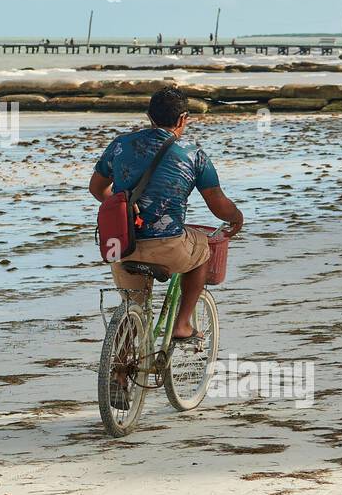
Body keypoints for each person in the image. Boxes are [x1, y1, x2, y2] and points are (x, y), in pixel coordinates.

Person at [88, 88, 243, 340]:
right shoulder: (193, 154)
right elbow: (217, 203)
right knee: (203, 250)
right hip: (169, 246)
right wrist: (236, 217)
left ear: (149, 117)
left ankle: (117, 369)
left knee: (132, 308)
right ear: (183, 119)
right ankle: (181, 325)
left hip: (121, 245)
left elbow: (97, 188)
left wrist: (123, 207)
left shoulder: (120, 145)